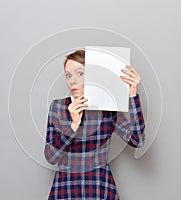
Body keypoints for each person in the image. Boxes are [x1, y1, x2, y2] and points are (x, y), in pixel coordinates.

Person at [44, 49, 145, 200]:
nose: (72, 81)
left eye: (80, 73)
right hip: (65, 190)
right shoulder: (57, 107)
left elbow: (138, 140)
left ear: (94, 75)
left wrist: (133, 96)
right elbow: (51, 157)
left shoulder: (109, 108)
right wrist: (73, 126)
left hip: (99, 188)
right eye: (68, 75)